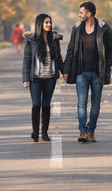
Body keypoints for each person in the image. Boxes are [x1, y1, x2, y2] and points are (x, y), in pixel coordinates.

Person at [63, 1, 112, 143]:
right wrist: (66, 69)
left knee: (95, 104)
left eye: (81, 12)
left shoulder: (104, 29)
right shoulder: (76, 29)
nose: (78, 15)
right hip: (81, 72)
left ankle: (91, 131)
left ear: (89, 14)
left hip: (97, 73)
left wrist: (106, 65)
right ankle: (83, 132)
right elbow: (70, 50)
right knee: (81, 103)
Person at [22, 14, 64, 142]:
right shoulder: (31, 41)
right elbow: (27, 60)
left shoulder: (54, 40)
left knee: (46, 104)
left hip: (50, 78)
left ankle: (44, 133)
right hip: (36, 78)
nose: (49, 25)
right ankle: (35, 132)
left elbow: (59, 58)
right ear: (40, 24)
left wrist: (65, 72)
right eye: (46, 22)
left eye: (50, 22)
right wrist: (25, 78)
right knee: (36, 104)